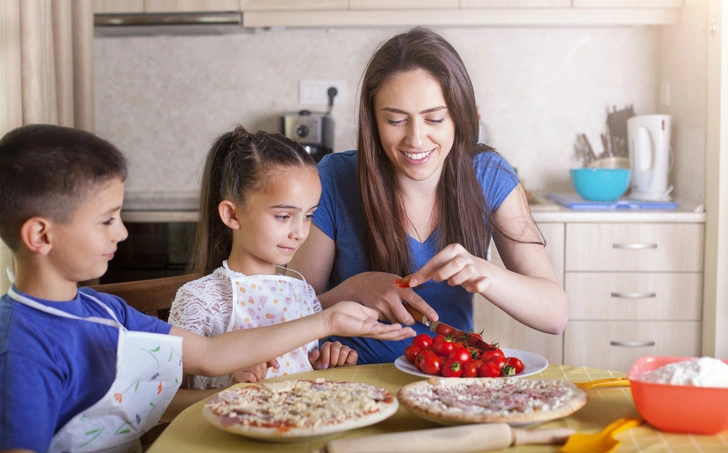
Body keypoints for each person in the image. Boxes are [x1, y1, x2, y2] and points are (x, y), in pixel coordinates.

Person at [0, 124, 413, 453]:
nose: (122, 232)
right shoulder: (21, 350)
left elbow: (210, 356)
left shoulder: (105, 309)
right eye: (107, 220)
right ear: (41, 235)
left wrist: (325, 321)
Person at [289, 26, 568, 364]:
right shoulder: (334, 177)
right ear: (372, 122)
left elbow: (554, 315)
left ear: (459, 117)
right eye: (395, 120)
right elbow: (289, 312)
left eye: (434, 118)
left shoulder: (489, 176)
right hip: (351, 379)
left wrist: (484, 272)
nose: (416, 140)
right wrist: (353, 289)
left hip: (446, 378)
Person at [168, 126, 357, 390]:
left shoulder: (303, 294)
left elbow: (297, 372)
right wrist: (228, 384)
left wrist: (324, 363)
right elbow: (165, 401)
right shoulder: (202, 300)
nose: (300, 233)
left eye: (309, 215)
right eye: (283, 216)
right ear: (233, 215)